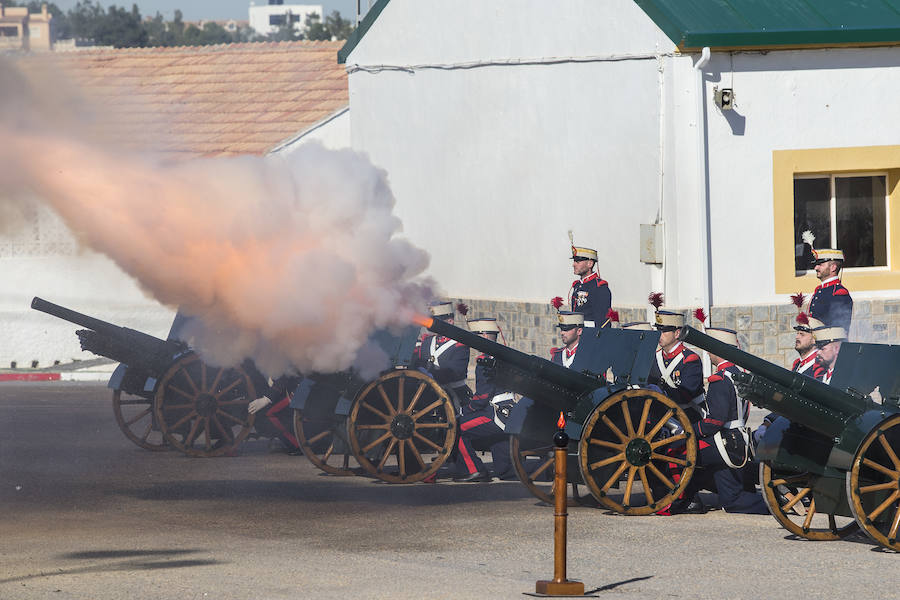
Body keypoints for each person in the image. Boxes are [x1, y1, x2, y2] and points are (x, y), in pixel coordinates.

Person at [668, 327, 768, 515]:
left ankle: (684, 499)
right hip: (735, 440)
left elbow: (715, 422)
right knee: (732, 500)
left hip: (724, 441)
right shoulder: (737, 373)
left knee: (678, 453)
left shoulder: (720, 379)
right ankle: (773, 500)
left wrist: (687, 432)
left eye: (710, 348)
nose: (708, 352)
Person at [453, 318, 516, 482]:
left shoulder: (486, 360)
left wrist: (464, 410)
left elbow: (482, 397)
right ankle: (506, 469)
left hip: (494, 413)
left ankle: (474, 470)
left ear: (485, 336)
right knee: (505, 471)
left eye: (477, 336)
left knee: (456, 428)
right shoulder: (503, 355)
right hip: (507, 411)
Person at [413, 302, 472, 411]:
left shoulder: (459, 346)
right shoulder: (427, 341)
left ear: (450, 321)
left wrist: (430, 374)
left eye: (436, 322)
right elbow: (418, 362)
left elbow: (454, 372)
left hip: (453, 396)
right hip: (428, 395)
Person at [647, 310, 705, 422]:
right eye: (658, 330)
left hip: (686, 417)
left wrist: (661, 392)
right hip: (662, 416)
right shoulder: (656, 357)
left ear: (677, 333)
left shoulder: (690, 360)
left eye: (664, 331)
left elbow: (686, 395)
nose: (659, 334)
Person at [808, 248, 853, 332]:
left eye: (820, 265)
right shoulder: (819, 290)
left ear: (833, 267)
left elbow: (838, 327)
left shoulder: (838, 293)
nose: (816, 268)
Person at [569, 245, 611, 328]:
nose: (573, 265)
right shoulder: (577, 285)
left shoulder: (599, 287)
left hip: (590, 335)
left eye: (578, 262)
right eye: (574, 261)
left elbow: (603, 322)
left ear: (590, 263)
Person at [791, 313, 827, 379]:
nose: (797, 337)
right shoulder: (797, 364)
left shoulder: (820, 366)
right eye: (797, 333)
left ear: (814, 339)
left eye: (802, 334)